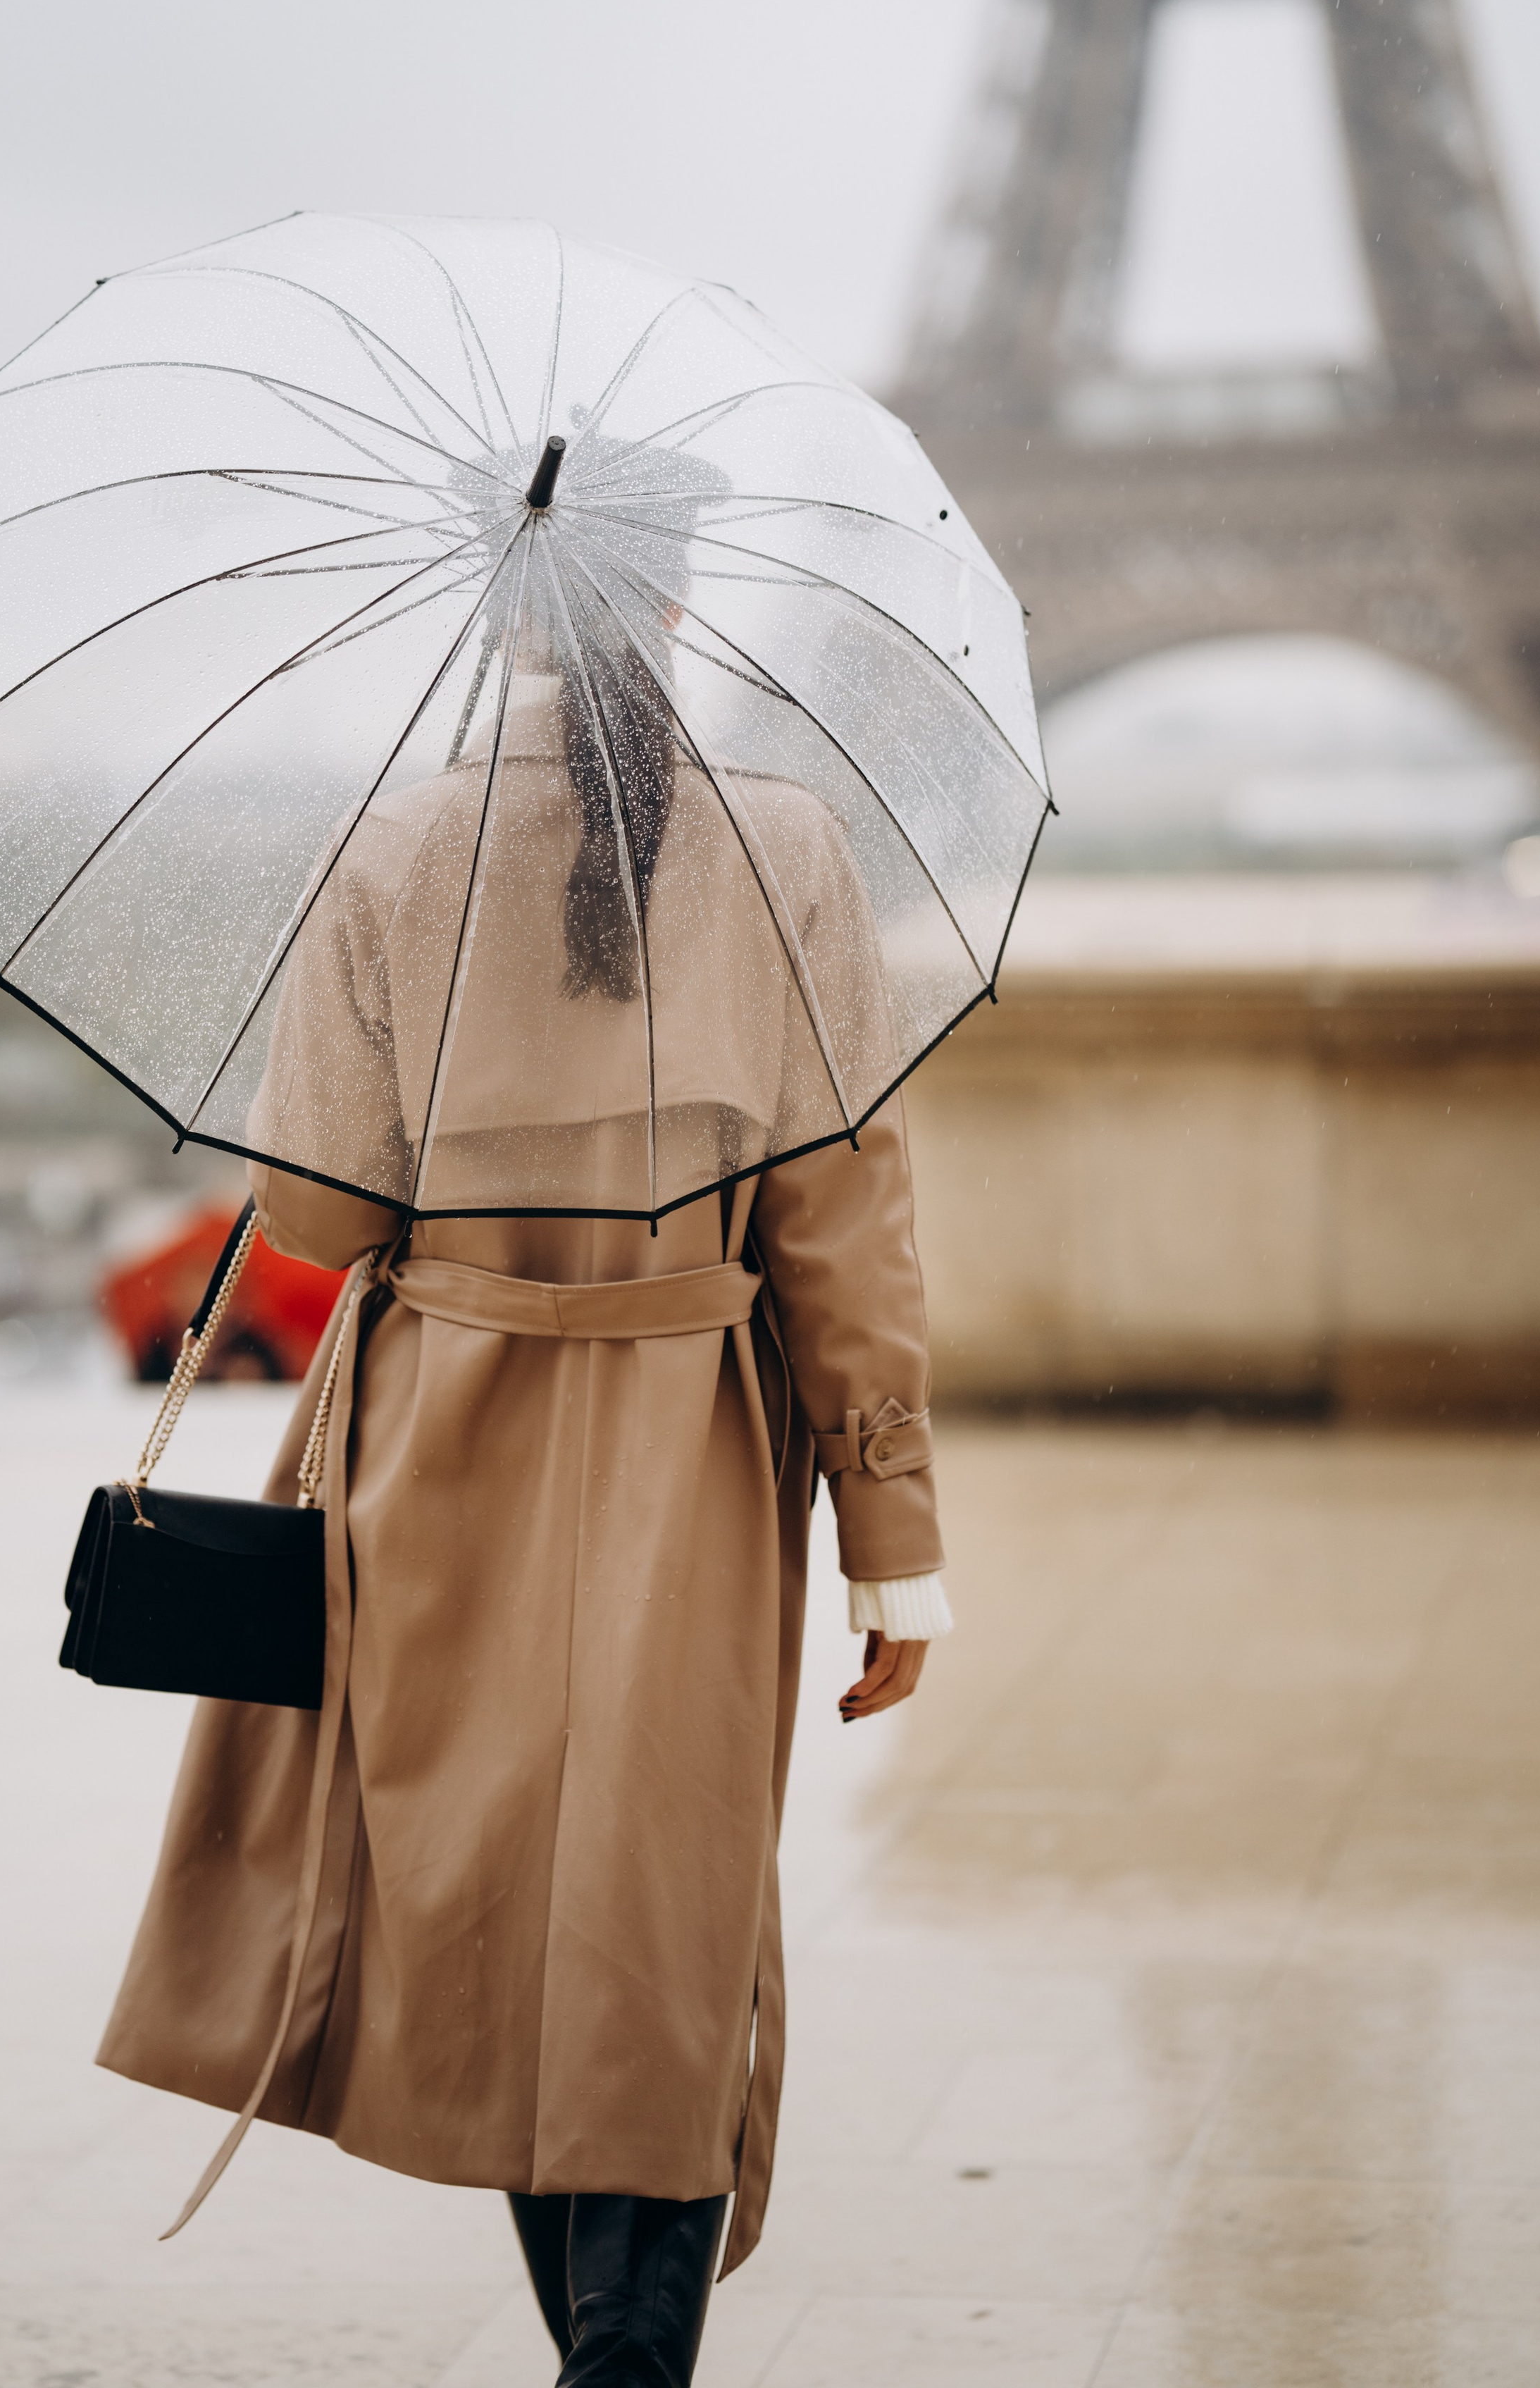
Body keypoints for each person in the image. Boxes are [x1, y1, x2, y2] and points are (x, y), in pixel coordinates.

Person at [98, 555, 949, 2387]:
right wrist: (897, 1540)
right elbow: (844, 1229)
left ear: (499, 615)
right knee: (663, 1899)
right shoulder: (791, 850)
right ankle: (630, 2359)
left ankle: (602, 2357)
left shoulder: (394, 845)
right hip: (693, 1435)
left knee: (485, 1886)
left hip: (441, 1433)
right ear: (677, 609)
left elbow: (321, 1208)